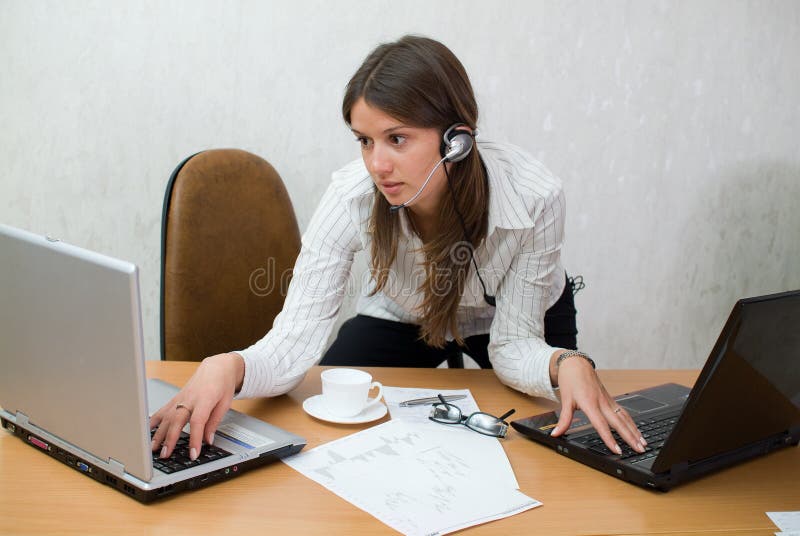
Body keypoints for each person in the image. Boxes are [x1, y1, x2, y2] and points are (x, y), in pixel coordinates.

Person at [150, 35, 646, 462]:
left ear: (458, 140)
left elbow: (515, 346)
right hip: (408, 311)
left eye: (397, 139)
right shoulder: (350, 197)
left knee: (551, 436)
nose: (377, 164)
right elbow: (293, 343)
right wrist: (229, 365)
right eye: (365, 140)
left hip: (517, 320)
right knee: (333, 405)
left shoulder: (536, 196)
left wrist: (567, 363)